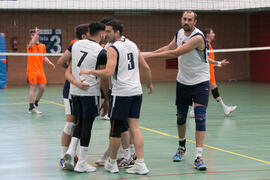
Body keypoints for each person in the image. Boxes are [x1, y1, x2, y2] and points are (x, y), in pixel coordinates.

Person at [80, 20, 153, 174]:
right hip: (136, 91)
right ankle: (140, 164)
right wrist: (149, 84)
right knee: (135, 128)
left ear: (117, 32)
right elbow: (146, 67)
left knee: (115, 129)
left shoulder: (113, 49)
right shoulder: (133, 45)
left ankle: (112, 163)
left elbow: (107, 73)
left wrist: (90, 72)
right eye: (105, 31)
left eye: (109, 31)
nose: (105, 34)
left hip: (121, 93)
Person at [143, 11, 212, 170]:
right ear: (181, 20)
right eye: (184, 19)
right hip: (183, 81)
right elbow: (169, 47)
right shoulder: (180, 33)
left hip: (200, 81)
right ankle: (182, 147)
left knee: (200, 117)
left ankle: (199, 156)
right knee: (181, 117)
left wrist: (148, 57)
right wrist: (149, 54)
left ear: (195, 22)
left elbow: (175, 53)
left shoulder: (198, 37)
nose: (186, 22)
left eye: (190, 20)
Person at [63, 21, 109, 173]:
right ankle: (81, 162)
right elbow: (103, 78)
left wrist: (76, 75)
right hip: (90, 92)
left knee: (80, 122)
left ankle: (70, 151)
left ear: (89, 31)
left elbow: (62, 62)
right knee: (87, 125)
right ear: (102, 34)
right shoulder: (101, 52)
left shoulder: (75, 44)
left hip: (75, 91)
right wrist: (106, 98)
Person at [57, 24, 90, 170]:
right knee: (70, 123)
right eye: (91, 33)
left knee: (78, 123)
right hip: (71, 88)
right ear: (84, 35)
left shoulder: (90, 47)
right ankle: (63, 157)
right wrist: (72, 72)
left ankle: (72, 154)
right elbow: (60, 62)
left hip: (82, 90)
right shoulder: (75, 45)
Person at [189, 28, 237, 117]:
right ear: (207, 35)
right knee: (206, 92)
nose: (214, 34)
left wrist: (219, 64)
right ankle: (194, 111)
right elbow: (205, 59)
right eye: (212, 33)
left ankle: (194, 111)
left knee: (212, 90)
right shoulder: (206, 44)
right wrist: (219, 63)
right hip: (206, 72)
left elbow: (208, 61)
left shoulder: (208, 45)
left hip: (209, 71)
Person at [27, 27, 55, 114]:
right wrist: (35, 34)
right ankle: (31, 107)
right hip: (32, 70)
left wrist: (50, 63)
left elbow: (43, 57)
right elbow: (31, 44)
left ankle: (35, 104)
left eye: (36, 35)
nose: (35, 36)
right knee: (33, 87)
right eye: (33, 35)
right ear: (31, 36)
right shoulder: (29, 45)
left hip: (40, 70)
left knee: (42, 88)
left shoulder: (42, 46)